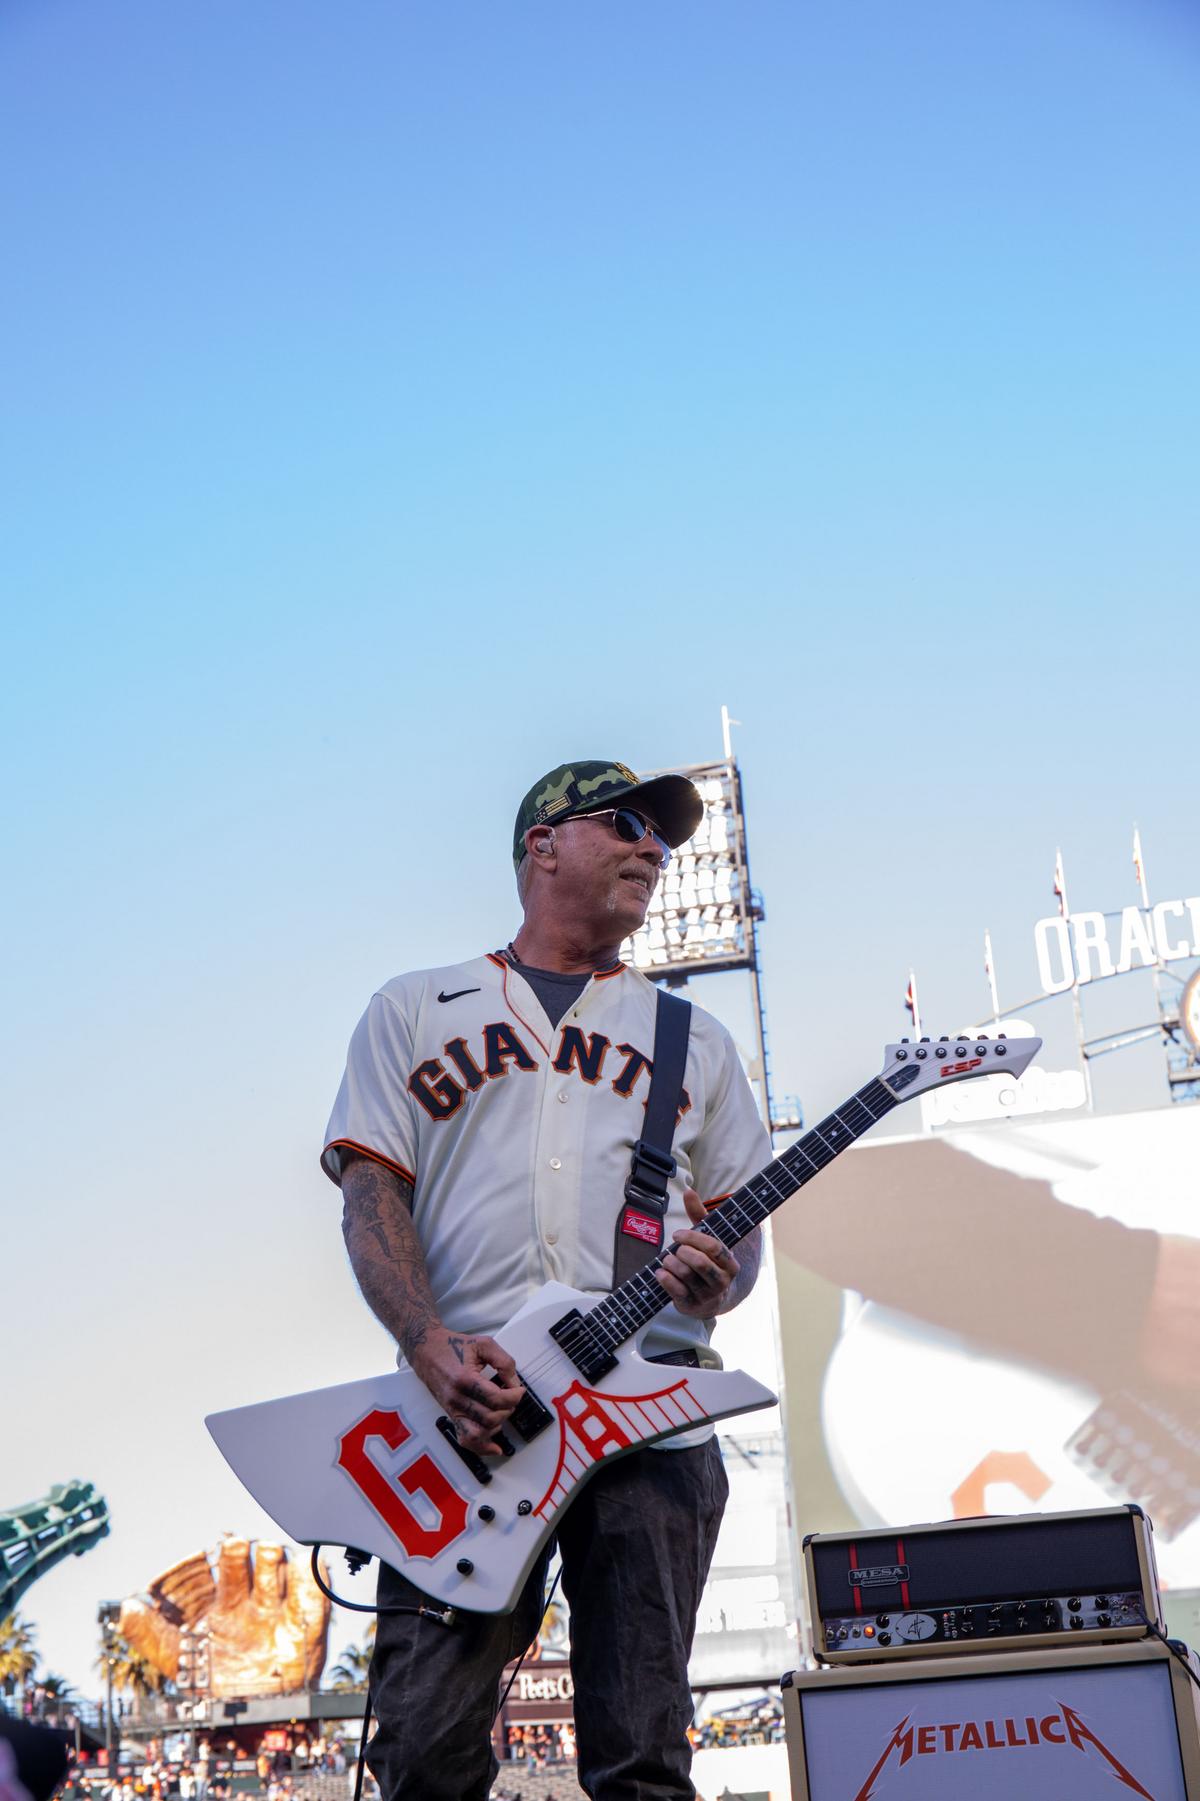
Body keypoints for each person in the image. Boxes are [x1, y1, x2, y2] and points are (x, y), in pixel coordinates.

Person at [322, 759, 770, 1801]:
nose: (654, 850)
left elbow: (738, 1235)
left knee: (643, 1758)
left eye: (663, 838)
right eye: (627, 824)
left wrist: (718, 1276)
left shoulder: (692, 1038)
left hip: (650, 1422)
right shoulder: (415, 1006)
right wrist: (428, 1346)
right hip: (468, 1418)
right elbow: (370, 1195)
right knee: (421, 1752)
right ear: (544, 843)